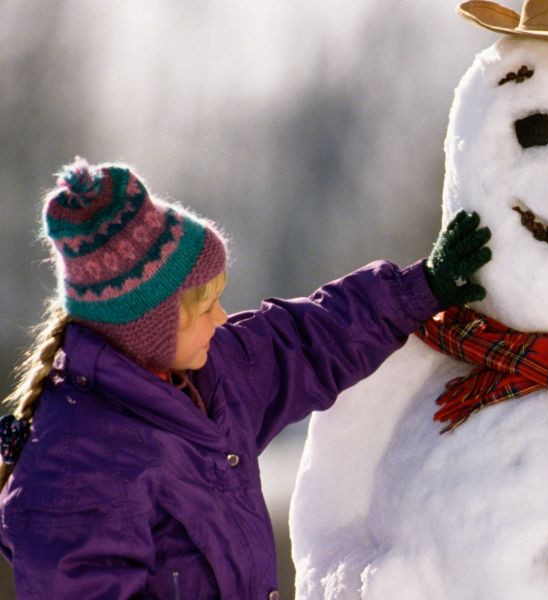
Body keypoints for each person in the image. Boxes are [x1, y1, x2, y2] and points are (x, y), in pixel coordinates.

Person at [0, 158, 491, 599]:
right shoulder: (75, 466)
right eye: (204, 306)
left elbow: (307, 341)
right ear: (147, 325)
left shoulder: (210, 373)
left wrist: (419, 289)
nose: (222, 319)